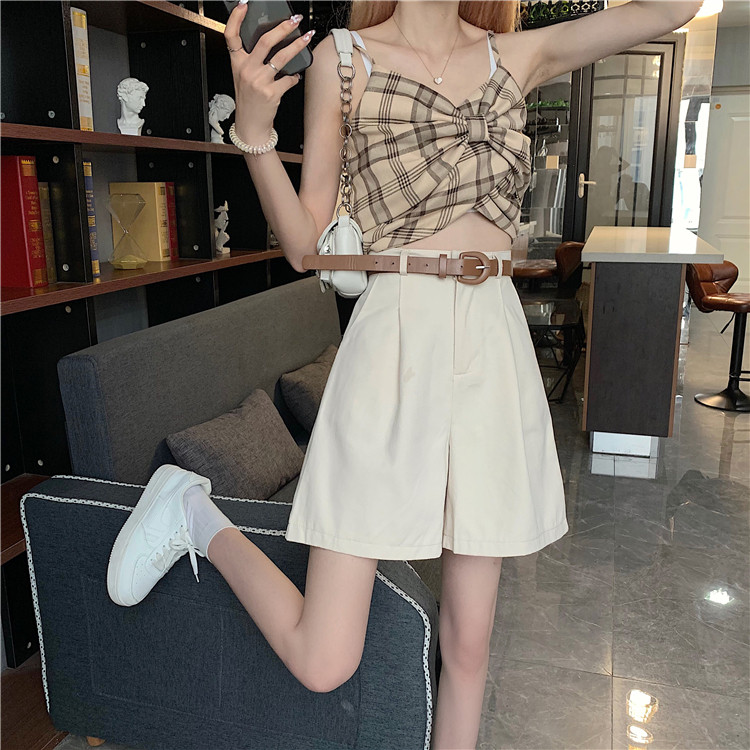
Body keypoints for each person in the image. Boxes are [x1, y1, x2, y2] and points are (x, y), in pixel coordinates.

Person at [106, 1, 704, 748]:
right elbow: (305, 245)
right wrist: (255, 131)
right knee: (324, 659)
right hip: (393, 338)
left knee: (470, 645)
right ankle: (193, 512)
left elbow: (674, 7)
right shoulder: (343, 59)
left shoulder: (517, 54)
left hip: (491, 338)